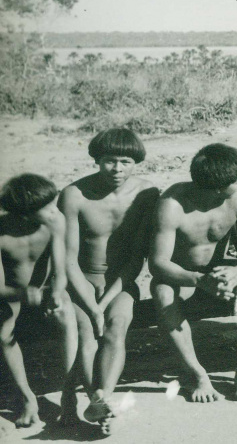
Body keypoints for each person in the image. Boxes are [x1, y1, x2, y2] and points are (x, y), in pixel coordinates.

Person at [149, 144, 237, 402]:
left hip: (218, 270)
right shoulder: (172, 204)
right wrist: (198, 280)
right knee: (161, 291)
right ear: (217, 187)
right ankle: (197, 375)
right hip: (182, 273)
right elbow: (158, 263)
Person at [57, 129, 159, 432]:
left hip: (120, 280)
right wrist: (92, 304)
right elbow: (68, 258)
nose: (117, 169)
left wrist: (104, 302)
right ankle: (98, 403)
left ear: (135, 162)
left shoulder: (146, 194)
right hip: (80, 279)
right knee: (87, 331)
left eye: (125, 162)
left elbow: (136, 257)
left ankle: (102, 398)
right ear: (97, 161)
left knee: (117, 326)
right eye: (109, 161)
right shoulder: (75, 194)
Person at [0, 174, 77, 428]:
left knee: (67, 314)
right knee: (4, 333)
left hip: (46, 289)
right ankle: (27, 398)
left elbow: (60, 268)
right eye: (47, 207)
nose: (55, 211)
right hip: (12, 294)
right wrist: (21, 295)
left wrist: (56, 290)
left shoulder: (55, 221)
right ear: (25, 214)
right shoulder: (2, 232)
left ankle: (69, 396)